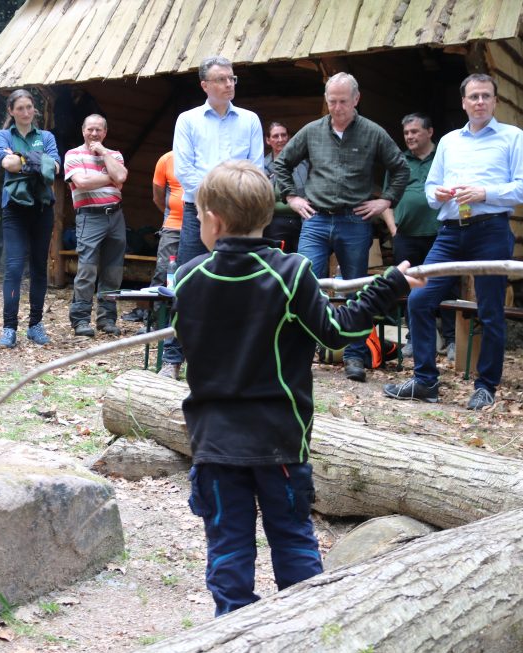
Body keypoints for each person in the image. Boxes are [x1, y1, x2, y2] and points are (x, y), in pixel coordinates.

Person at [172, 159, 421, 615]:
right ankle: (308, 627)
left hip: (215, 443)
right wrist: (389, 286)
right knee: (291, 537)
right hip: (279, 441)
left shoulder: (186, 277)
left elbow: (187, 340)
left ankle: (232, 630)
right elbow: (337, 331)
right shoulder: (292, 274)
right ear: (265, 218)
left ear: (213, 220)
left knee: (227, 545)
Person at [384, 74, 523, 410]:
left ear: (494, 101)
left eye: (485, 96)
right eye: (473, 97)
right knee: (420, 300)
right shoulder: (450, 141)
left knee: (491, 311)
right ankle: (425, 382)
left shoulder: (513, 138)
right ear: (463, 102)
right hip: (450, 231)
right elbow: (430, 189)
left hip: (491, 229)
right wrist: (436, 194)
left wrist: (486, 193)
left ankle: (486, 386)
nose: (479, 102)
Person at [273, 72, 409, 383]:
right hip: (316, 219)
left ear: (356, 100)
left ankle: (354, 356)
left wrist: (385, 201)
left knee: (356, 289)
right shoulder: (312, 131)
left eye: (342, 102)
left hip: (354, 221)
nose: (336, 108)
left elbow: (400, 168)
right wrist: (291, 196)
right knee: (304, 284)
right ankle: (301, 355)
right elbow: (282, 163)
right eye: (331, 101)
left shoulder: (373, 133)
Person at [161, 55, 265, 379]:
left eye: (232, 78)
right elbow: (184, 171)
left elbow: (256, 169)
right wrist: (218, 198)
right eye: (221, 79)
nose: (229, 84)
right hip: (198, 213)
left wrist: (233, 203)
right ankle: (173, 358)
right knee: (187, 280)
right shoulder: (188, 120)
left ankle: (229, 358)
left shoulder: (250, 120)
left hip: (240, 218)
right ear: (205, 85)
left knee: (238, 284)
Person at [380, 113, 456, 360]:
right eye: (406, 133)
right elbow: (386, 201)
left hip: (440, 234)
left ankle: (452, 339)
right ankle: (413, 339)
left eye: (415, 131)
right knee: (410, 286)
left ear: (429, 132)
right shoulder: (399, 161)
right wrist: (393, 229)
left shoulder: (443, 157)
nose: (410, 137)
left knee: (446, 286)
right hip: (407, 235)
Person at [0, 89, 60, 348]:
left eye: (29, 107)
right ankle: (9, 328)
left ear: (34, 109)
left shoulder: (46, 136)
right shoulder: (3, 135)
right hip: (14, 210)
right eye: (19, 108)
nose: (25, 112)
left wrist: (21, 159)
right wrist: (36, 162)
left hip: (42, 209)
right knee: (13, 268)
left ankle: (35, 325)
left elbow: (54, 168)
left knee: (39, 267)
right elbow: (6, 164)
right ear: (11, 111)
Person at [64, 114, 127, 337]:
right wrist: (110, 178)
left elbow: (122, 175)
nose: (94, 134)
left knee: (113, 270)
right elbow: (81, 183)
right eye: (90, 129)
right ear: (83, 131)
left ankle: (107, 318)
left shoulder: (114, 154)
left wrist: (103, 153)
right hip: (89, 216)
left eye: (98, 130)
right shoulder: (73, 155)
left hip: (115, 216)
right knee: (87, 269)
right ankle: (80, 320)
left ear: (105, 133)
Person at [261, 121, 308, 254]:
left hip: (302, 219)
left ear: (289, 137)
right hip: (274, 221)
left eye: (283, 135)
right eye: (275, 136)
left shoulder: (303, 163)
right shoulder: (262, 165)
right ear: (268, 140)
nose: (280, 139)